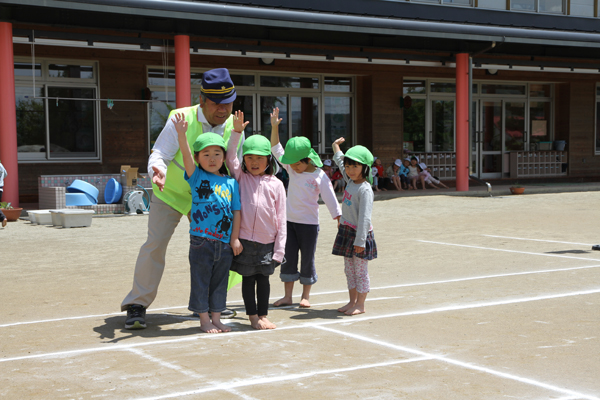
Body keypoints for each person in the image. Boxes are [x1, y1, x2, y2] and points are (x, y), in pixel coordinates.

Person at [121, 68, 243, 330]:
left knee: (224, 248)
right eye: (217, 103)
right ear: (202, 100)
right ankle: (137, 303)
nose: (223, 109)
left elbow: (234, 165)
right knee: (154, 244)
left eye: (228, 103)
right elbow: (160, 154)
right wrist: (158, 170)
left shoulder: (235, 124)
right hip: (172, 193)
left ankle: (215, 304)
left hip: (210, 201)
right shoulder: (180, 117)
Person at [173, 114, 241, 333]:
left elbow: (236, 212)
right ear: (198, 157)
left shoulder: (231, 182)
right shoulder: (196, 176)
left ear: (224, 157)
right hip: (201, 241)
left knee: (220, 283)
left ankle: (217, 318)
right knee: (201, 280)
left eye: (217, 154)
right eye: (206, 154)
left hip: (224, 242)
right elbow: (184, 156)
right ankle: (204, 320)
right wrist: (181, 135)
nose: (212, 158)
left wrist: (235, 238)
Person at [270, 107, 341, 308]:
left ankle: (305, 296)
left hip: (309, 225)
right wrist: (274, 127)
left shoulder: (319, 176)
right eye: (290, 164)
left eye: (297, 164)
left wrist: (338, 218)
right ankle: (287, 296)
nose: (292, 167)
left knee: (307, 259)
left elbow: (330, 198)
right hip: (289, 223)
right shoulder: (292, 170)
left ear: (308, 159)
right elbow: (276, 149)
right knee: (288, 258)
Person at [225, 110, 287, 330]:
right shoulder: (240, 178)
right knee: (248, 280)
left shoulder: (277, 184)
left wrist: (279, 250)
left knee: (264, 281)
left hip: (267, 243)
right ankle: (252, 316)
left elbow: (282, 219)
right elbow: (230, 156)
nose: (253, 162)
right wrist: (236, 132)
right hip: (243, 242)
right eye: (249, 157)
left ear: (268, 160)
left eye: (259, 157)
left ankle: (263, 315)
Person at [331, 137, 377, 315]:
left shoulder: (365, 189)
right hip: (347, 231)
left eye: (354, 166)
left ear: (365, 168)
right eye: (348, 166)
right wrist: (336, 147)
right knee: (349, 270)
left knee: (360, 272)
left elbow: (365, 218)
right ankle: (352, 302)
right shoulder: (350, 181)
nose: (349, 170)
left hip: (360, 235)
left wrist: (361, 241)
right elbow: (341, 164)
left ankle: (361, 305)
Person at [0, 160, 7, 228]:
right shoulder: (1, 165)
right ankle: (3, 218)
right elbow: (5, 174)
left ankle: (3, 217)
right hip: (0, 189)